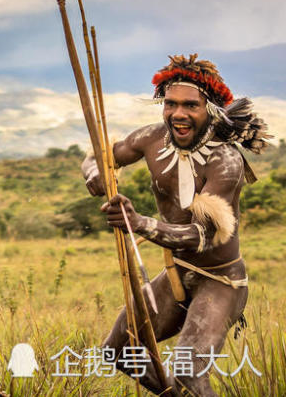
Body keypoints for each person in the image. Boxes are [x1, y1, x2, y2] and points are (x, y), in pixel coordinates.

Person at [82, 54, 270, 396]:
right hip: (176, 273)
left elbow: (201, 237)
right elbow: (99, 155)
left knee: (188, 372)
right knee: (118, 350)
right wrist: (96, 174)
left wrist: (139, 223)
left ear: (210, 109)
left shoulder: (224, 160)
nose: (178, 114)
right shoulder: (151, 138)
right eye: (170, 104)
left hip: (220, 282)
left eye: (190, 105)